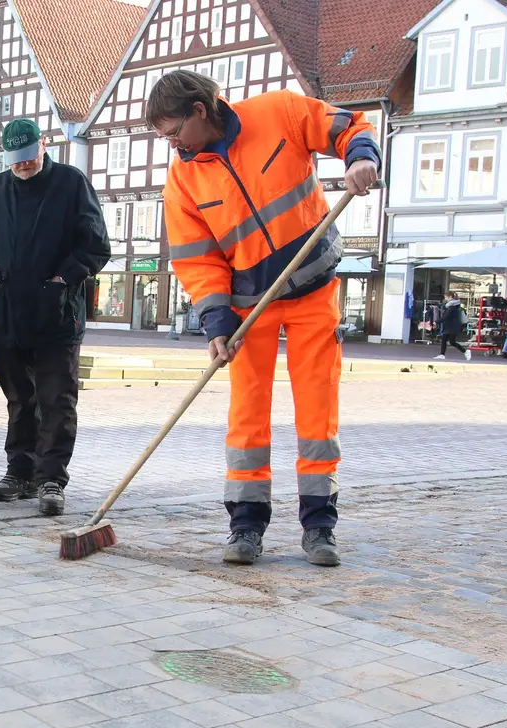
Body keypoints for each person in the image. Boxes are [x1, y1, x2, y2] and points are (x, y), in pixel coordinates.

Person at [151, 70, 379, 568]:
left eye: (173, 132)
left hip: (313, 290)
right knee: (247, 416)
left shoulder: (278, 112)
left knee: (317, 412)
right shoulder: (183, 178)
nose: (172, 145)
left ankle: (320, 526)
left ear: (200, 111)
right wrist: (216, 323)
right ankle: (245, 527)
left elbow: (347, 126)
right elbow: (196, 258)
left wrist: (360, 157)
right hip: (245, 308)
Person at [0, 118, 109, 516]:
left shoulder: (71, 183)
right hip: (9, 312)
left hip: (58, 314)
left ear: (42, 145)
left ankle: (51, 479)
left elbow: (96, 244)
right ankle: (19, 471)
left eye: (28, 157)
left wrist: (63, 278)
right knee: (18, 399)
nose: (23, 166)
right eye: (15, 161)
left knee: (57, 400)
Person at [435, 293, 472, 361]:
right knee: (452, 342)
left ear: (450, 297)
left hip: (452, 326)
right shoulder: (453, 305)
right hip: (452, 326)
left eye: (446, 297)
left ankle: (442, 354)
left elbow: (446, 316)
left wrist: (436, 322)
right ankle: (465, 352)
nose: (445, 299)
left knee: (445, 339)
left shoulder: (452, 306)